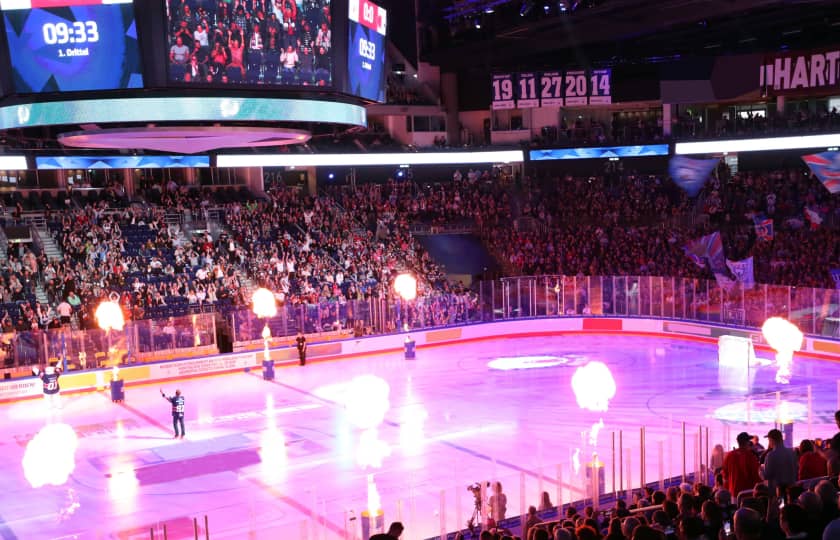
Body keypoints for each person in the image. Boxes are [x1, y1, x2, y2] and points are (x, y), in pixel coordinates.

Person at [722, 432, 761, 497]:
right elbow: (756, 474)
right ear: (746, 442)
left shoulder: (729, 455)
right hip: (748, 492)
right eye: (748, 441)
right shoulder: (750, 456)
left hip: (733, 492)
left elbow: (725, 475)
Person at [763, 428, 797, 497]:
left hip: (777, 492)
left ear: (772, 440)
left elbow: (766, 475)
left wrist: (760, 472)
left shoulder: (771, 455)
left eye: (769, 440)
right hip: (791, 490)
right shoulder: (792, 452)